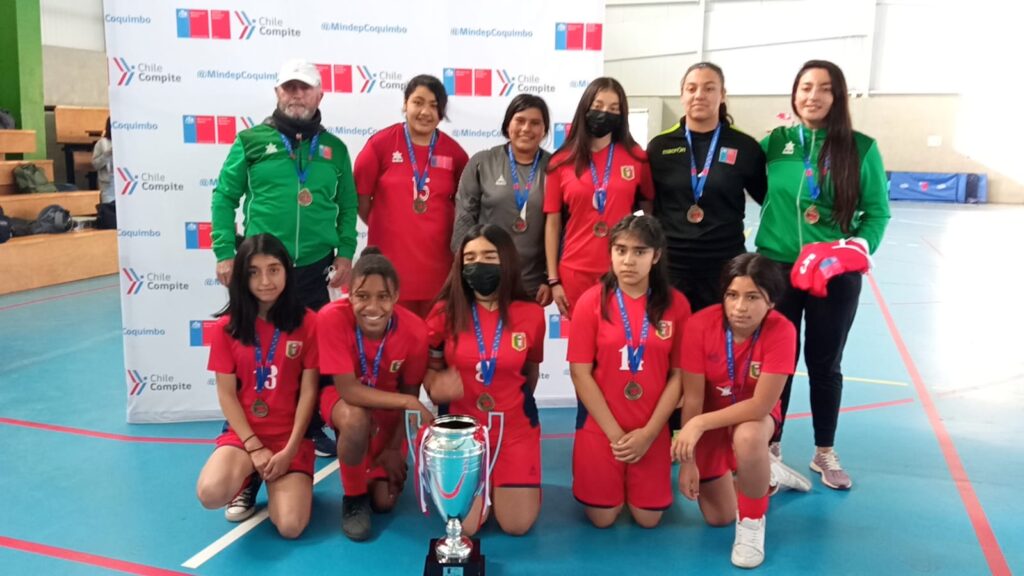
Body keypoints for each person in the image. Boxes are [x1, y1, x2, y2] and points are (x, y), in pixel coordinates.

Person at [211, 57, 354, 491]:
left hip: (313, 270)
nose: (296, 95)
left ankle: (305, 431)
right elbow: (224, 197)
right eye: (288, 88)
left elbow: (348, 207)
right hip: (261, 271)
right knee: (252, 356)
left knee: (311, 358)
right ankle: (242, 444)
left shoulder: (335, 149)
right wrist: (224, 251)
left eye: (304, 88)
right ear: (277, 94)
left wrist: (346, 253)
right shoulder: (251, 141)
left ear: (319, 95)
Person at [756, 60, 890, 490]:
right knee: (778, 363)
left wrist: (855, 248)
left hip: (833, 273)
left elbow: (878, 213)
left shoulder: (860, 148)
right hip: (776, 267)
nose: (812, 96)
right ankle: (771, 448)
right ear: (794, 94)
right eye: (805, 87)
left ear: (838, 97)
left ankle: (823, 451)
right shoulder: (775, 143)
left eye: (824, 89)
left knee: (824, 362)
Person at [672, 253, 811, 568]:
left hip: (753, 417)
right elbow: (693, 400)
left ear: (771, 302)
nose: (739, 307)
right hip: (710, 421)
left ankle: (751, 524)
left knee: (749, 437)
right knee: (718, 517)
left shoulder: (783, 331)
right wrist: (688, 462)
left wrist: (699, 425)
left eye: (752, 297)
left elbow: (761, 405)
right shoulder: (699, 325)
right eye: (732, 295)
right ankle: (767, 474)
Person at [568, 215, 691, 529]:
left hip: (649, 428)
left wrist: (649, 434)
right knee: (603, 518)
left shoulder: (676, 305)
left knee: (648, 519)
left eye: (639, 252)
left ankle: (642, 475)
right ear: (610, 253)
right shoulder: (590, 302)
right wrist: (614, 435)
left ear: (656, 256)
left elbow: (679, 376)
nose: (628, 260)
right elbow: (580, 373)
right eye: (620, 250)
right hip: (602, 427)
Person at [424, 224, 546, 536]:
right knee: (466, 528)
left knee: (517, 526)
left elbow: (530, 372)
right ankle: (484, 483)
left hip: (514, 430)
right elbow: (429, 367)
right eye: (471, 257)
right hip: (462, 435)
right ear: (460, 266)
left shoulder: (530, 313)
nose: (479, 264)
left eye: (490, 255)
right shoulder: (444, 312)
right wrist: (434, 385)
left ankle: (505, 478)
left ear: (506, 260)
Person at [196, 234, 318, 538]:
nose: (265, 280)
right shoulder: (228, 327)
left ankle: (284, 479)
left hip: (289, 439)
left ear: (287, 272)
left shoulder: (309, 323)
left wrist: (289, 450)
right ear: (242, 277)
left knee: (290, 527)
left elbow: (309, 392)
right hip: (245, 437)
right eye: (254, 272)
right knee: (210, 493)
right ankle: (249, 476)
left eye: (274, 269)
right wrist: (254, 446)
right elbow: (226, 394)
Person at [317, 247, 434, 541]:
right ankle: (354, 499)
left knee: (383, 503)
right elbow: (348, 389)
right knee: (356, 419)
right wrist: (408, 401)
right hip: (343, 402)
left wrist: (395, 448)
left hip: (389, 412)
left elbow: (411, 390)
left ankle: (371, 468)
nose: (373, 306)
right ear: (349, 295)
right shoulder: (330, 318)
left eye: (383, 296)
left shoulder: (416, 331)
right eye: (362, 296)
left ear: (396, 296)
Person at [648, 62, 767, 312]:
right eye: (691, 88)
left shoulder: (745, 147)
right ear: (682, 95)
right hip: (671, 267)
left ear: (722, 95)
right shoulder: (659, 147)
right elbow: (644, 204)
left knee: (717, 344)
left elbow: (770, 200)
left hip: (724, 267)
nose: (699, 95)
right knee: (670, 341)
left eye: (709, 88)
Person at [355, 74, 469, 318]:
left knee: (433, 344)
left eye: (434, 105)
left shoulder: (455, 153)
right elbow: (361, 199)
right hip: (389, 267)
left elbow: (465, 207)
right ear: (405, 104)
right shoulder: (381, 144)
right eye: (418, 102)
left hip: (439, 269)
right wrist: (388, 224)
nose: (425, 112)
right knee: (391, 342)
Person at [544, 77, 654, 319]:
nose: (605, 113)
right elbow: (552, 224)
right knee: (581, 348)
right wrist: (554, 280)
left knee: (617, 343)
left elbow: (649, 215)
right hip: (575, 270)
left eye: (614, 108)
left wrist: (647, 262)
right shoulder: (560, 162)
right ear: (585, 108)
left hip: (623, 270)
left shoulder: (637, 157)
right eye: (599, 105)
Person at [452, 94, 553, 305]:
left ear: (544, 130)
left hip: (532, 283)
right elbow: (464, 219)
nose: (526, 128)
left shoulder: (555, 168)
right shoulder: (482, 163)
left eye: (535, 123)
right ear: (508, 125)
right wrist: (468, 270)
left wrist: (550, 278)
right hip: (483, 280)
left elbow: (563, 229)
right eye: (520, 121)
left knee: (523, 338)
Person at [91, 117, 114, 204]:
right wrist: (108, 153)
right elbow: (95, 165)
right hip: (108, 186)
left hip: (126, 184)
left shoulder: (128, 142)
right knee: (109, 212)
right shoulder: (102, 143)